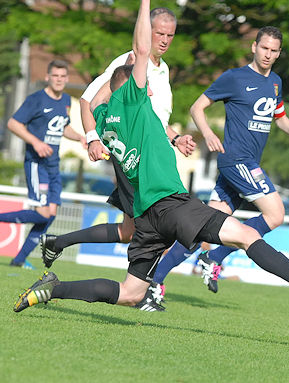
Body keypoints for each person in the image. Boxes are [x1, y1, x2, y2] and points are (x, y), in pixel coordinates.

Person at [14, 0, 289, 314]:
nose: (150, 88)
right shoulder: (136, 103)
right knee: (246, 235)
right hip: (170, 203)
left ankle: (53, 288)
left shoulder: (103, 118)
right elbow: (140, 52)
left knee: (130, 293)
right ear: (132, 88)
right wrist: (144, 6)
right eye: (143, 84)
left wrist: (101, 122)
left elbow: (95, 97)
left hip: (146, 217)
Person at [39, 6, 197, 310]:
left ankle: (58, 243)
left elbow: (152, 118)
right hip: (135, 161)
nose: (164, 40)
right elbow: (89, 99)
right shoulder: (130, 60)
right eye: (158, 33)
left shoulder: (162, 71)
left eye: (169, 35)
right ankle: (142, 293)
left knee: (130, 231)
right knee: (158, 224)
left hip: (152, 158)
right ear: (146, 31)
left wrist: (176, 138)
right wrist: (93, 137)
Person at [177, 25, 289, 294]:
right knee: (275, 214)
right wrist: (207, 133)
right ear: (254, 46)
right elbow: (196, 107)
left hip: (243, 163)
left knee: (201, 226)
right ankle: (215, 257)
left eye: (273, 51)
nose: (268, 54)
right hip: (237, 161)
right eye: (264, 48)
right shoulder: (234, 78)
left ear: (279, 53)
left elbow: (280, 117)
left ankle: (155, 277)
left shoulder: (275, 83)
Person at [0, 60, 86, 269]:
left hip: (53, 166)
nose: (59, 80)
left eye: (63, 76)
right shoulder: (36, 99)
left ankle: (18, 260)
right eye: (55, 76)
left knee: (50, 215)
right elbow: (13, 123)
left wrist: (81, 138)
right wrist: (36, 142)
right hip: (36, 164)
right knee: (42, 213)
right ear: (48, 77)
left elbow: (63, 128)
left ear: (67, 78)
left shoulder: (66, 100)